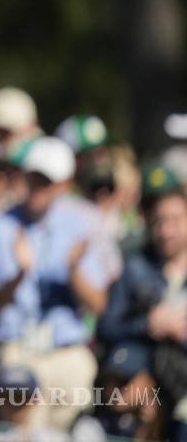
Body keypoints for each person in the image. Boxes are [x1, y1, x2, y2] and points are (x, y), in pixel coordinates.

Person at [0, 136, 115, 432]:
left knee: (76, 406)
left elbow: (99, 305)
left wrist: (74, 270)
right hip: (16, 347)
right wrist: (17, 277)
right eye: (33, 178)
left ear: (63, 185)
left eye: (46, 181)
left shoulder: (80, 227)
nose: (37, 188)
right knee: (24, 418)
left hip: (66, 348)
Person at [97, 165, 187, 440]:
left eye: (175, 220)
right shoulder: (136, 267)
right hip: (144, 380)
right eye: (158, 221)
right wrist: (148, 324)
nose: (166, 231)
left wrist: (179, 330)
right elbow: (106, 328)